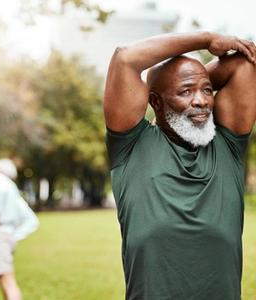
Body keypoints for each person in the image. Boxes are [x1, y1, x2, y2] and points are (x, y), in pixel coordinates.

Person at [104, 32, 256, 299]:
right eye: (186, 92)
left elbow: (246, 63)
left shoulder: (228, 145)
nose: (201, 101)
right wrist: (207, 40)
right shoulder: (131, 146)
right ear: (155, 102)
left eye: (207, 90)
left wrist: (193, 77)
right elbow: (125, 58)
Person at [0, 159, 39, 300]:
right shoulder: (11, 187)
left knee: (8, 282)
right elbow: (31, 219)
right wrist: (15, 235)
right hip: (7, 236)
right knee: (5, 281)